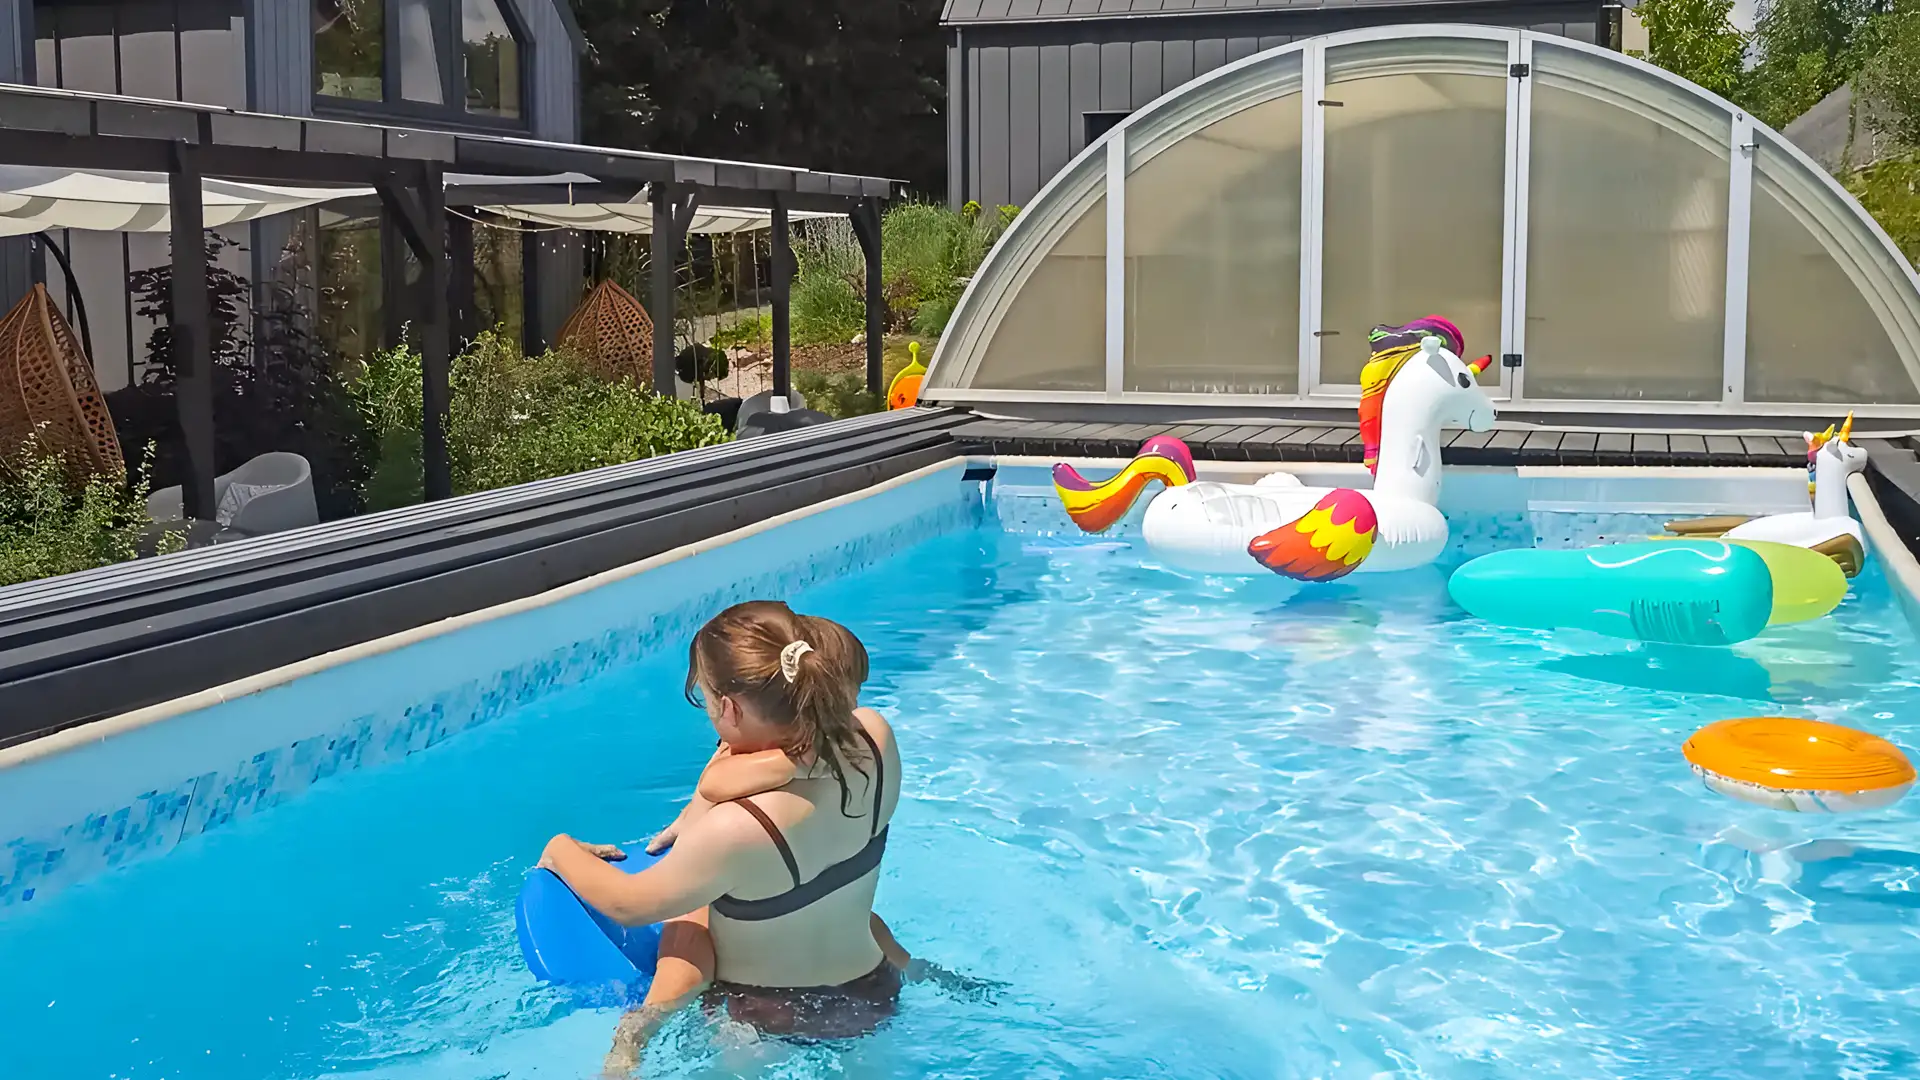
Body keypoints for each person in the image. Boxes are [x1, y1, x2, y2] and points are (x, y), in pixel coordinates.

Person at [537, 601, 909, 1075]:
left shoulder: (738, 828)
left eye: (706, 700)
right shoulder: (875, 739)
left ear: (728, 708)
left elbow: (628, 904)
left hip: (762, 1020)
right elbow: (779, 761)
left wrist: (559, 849)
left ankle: (630, 1042)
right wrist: (702, 807)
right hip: (875, 994)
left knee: (689, 919)